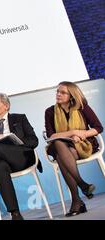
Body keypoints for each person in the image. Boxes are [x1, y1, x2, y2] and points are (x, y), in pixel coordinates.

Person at [44, 81, 103, 217]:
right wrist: (72, 133)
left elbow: (98, 127)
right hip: (62, 146)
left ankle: (77, 200)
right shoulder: (50, 111)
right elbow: (51, 135)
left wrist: (82, 134)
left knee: (61, 158)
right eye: (57, 91)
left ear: (71, 95)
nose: (58, 94)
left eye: (63, 92)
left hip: (83, 145)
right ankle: (82, 185)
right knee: (58, 143)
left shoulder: (82, 107)